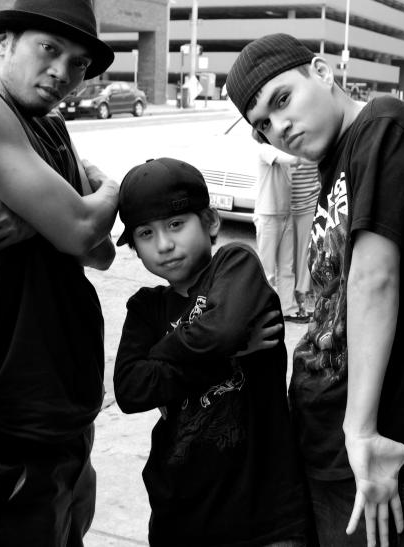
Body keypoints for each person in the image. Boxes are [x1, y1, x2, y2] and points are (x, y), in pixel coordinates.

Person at [226, 33, 404, 547]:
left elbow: (372, 279)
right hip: (326, 439)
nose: (279, 127)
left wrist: (360, 433)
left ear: (322, 69)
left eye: (282, 99)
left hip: (375, 445)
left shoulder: (384, 126)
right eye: (263, 125)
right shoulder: (334, 161)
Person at [0, 0, 119, 546]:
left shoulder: (50, 124)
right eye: (49, 49)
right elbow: (86, 224)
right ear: (5, 41)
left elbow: (100, 253)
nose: (64, 72)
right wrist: (107, 188)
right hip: (13, 409)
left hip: (67, 401)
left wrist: (42, 218)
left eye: (80, 63)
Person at [112, 157, 308, 547]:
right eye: (145, 234)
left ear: (211, 222)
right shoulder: (146, 309)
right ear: (134, 247)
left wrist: (163, 356)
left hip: (265, 515)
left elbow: (222, 331)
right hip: (180, 515)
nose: (164, 245)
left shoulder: (235, 267)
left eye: (175, 225)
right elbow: (131, 391)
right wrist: (227, 355)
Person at [252, 132, 303, 321]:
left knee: (287, 267)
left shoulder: (282, 153)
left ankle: (288, 309)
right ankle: (267, 311)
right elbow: (292, 159)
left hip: (286, 213)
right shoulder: (265, 150)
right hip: (267, 215)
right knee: (267, 270)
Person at [289, 159, 320, 318]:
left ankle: (306, 296)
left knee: (305, 252)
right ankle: (292, 297)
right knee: (289, 258)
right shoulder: (278, 147)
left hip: (309, 204)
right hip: (285, 207)